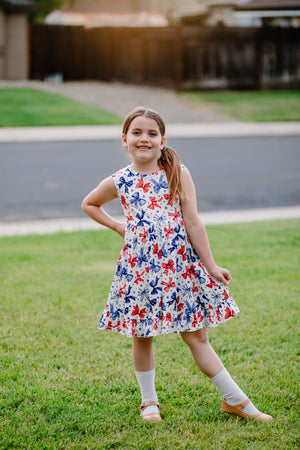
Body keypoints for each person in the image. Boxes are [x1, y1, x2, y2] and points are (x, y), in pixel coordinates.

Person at [81, 107, 273, 424]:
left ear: (162, 140)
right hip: (140, 272)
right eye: (137, 133)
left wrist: (210, 265)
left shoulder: (176, 172)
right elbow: (89, 203)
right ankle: (149, 403)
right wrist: (119, 227)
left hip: (180, 270)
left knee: (196, 336)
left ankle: (236, 401)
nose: (144, 138)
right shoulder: (120, 181)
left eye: (152, 133)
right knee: (142, 336)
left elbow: (193, 222)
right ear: (125, 140)